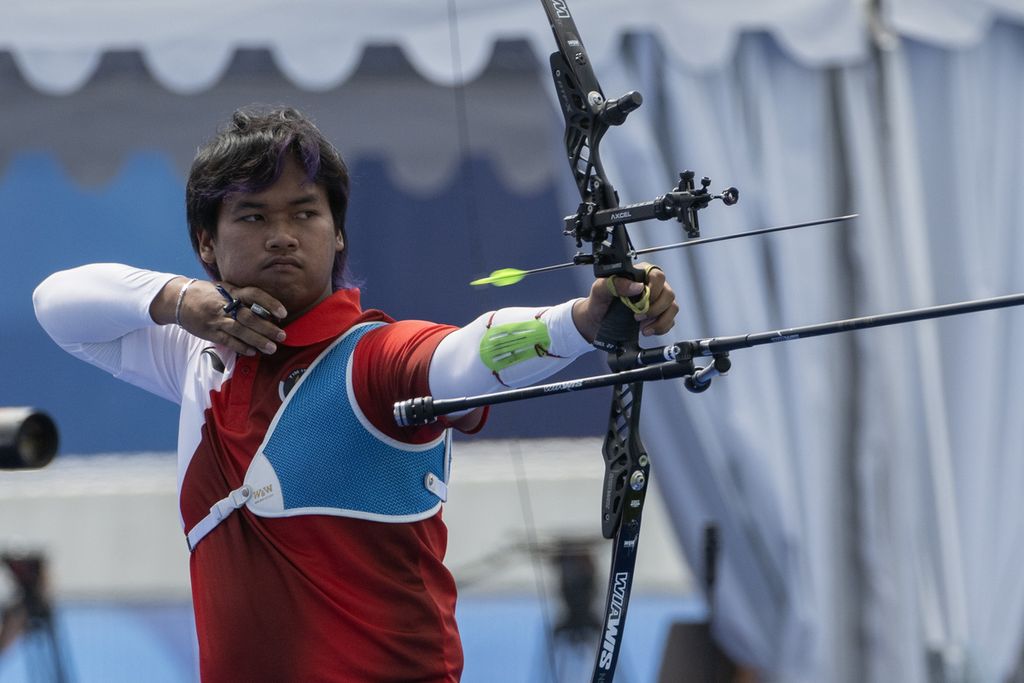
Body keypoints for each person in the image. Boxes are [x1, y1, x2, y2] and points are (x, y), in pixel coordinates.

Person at [33, 106, 677, 682]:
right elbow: (56, 304)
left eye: (305, 213)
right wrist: (180, 300)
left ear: (337, 234)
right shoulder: (201, 358)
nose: (282, 234)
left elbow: (464, 356)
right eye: (253, 216)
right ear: (207, 242)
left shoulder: (373, 359)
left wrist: (580, 323)